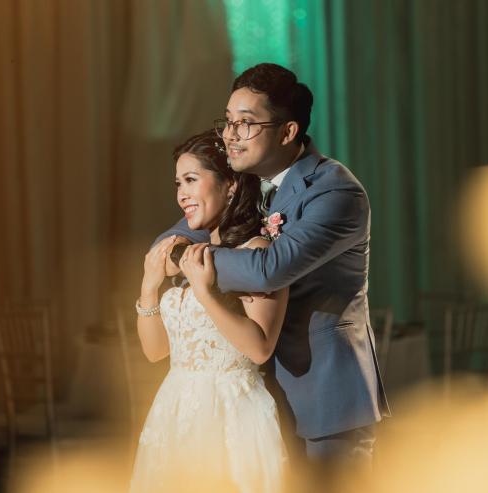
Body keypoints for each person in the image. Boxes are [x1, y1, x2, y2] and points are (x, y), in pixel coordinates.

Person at [156, 63, 390, 489]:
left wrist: (189, 261)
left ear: (287, 132)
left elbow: (269, 270)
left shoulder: (335, 191)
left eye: (245, 124)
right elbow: (168, 242)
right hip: (256, 401)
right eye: (228, 121)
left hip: (322, 397)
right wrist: (178, 253)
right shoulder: (243, 185)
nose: (230, 136)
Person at [131, 130, 288, 493]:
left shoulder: (257, 252)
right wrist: (148, 288)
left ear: (230, 185)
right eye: (178, 184)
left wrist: (204, 293)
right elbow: (155, 352)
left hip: (231, 414)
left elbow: (260, 348)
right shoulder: (189, 253)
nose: (181, 194)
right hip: (174, 411)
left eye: (191, 180)